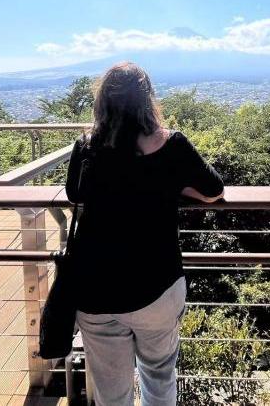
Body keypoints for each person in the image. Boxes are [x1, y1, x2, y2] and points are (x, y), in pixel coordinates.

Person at [65, 62, 224, 406]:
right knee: (159, 376)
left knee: (111, 391)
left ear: (102, 102)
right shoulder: (172, 146)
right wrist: (174, 185)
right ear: (148, 100)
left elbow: (75, 195)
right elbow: (213, 190)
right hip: (156, 286)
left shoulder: (86, 146)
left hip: (94, 291)